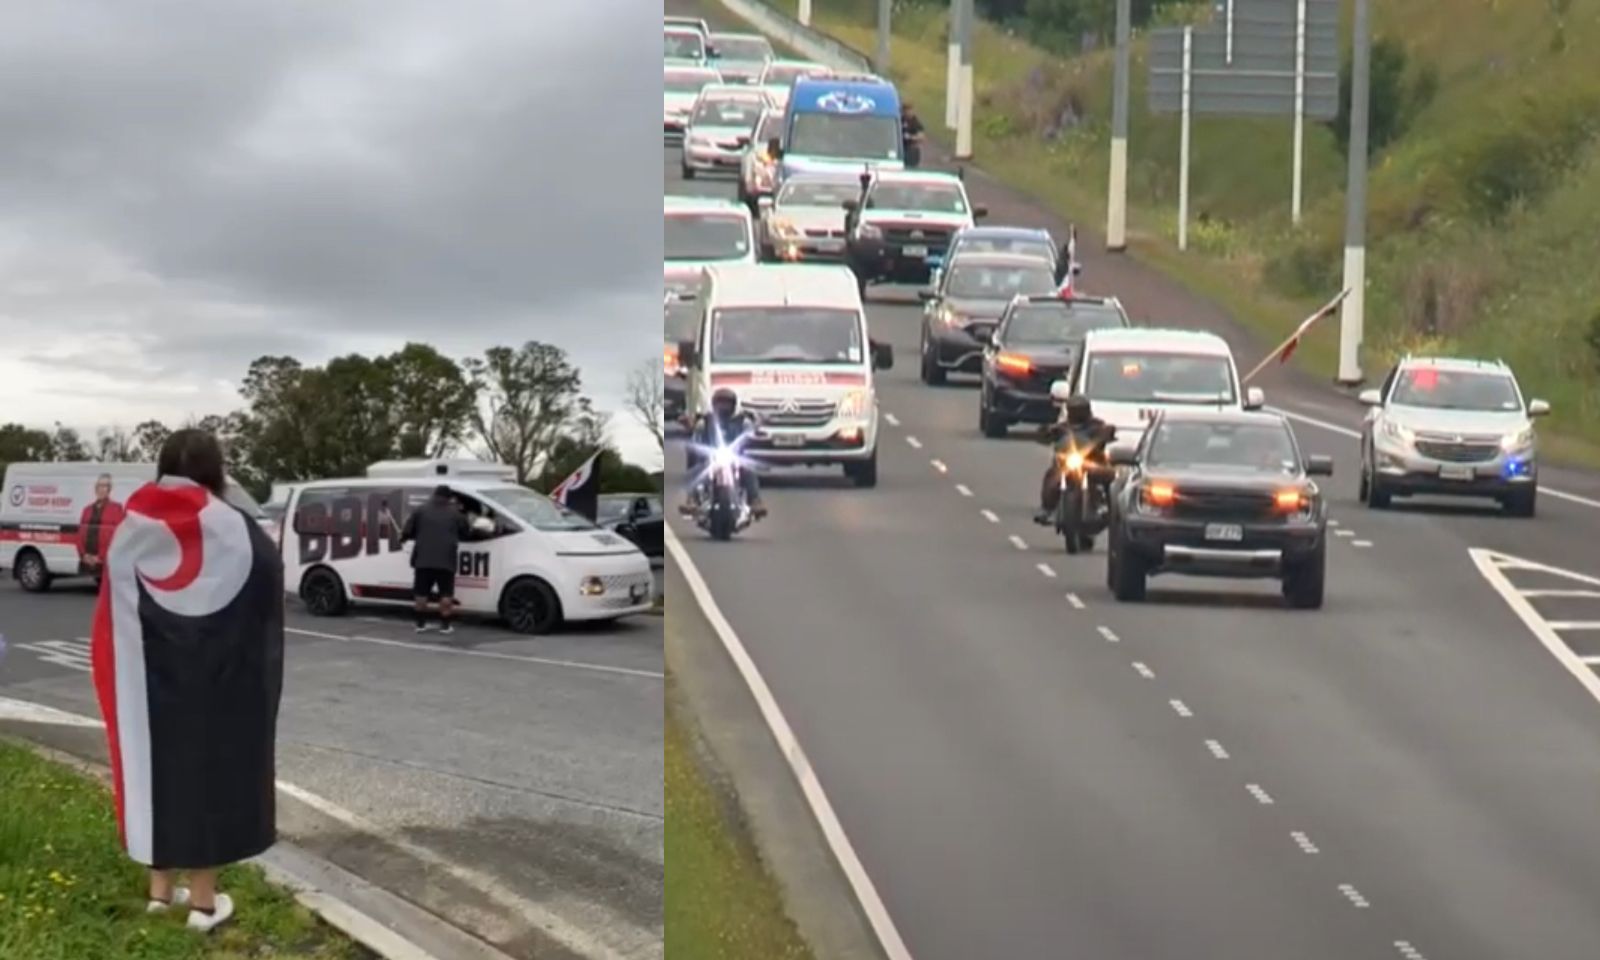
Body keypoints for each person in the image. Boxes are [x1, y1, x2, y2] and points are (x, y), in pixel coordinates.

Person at [90, 428, 285, 934]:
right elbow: (268, 578)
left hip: (149, 682)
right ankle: (202, 904)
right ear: (216, 470)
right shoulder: (234, 527)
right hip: (215, 681)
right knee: (209, 780)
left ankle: (159, 895)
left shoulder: (132, 522)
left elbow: (113, 605)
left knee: (157, 775)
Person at [680, 387, 767, 519]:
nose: (723, 407)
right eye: (720, 403)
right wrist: (691, 428)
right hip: (711, 456)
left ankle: (755, 501)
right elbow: (696, 432)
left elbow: (751, 431)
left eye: (727, 403)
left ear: (733, 404)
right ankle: (692, 499)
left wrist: (755, 433)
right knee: (697, 468)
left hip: (735, 455)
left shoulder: (743, 420)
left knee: (748, 468)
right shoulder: (706, 420)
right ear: (714, 404)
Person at [400, 485, 472, 634]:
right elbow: (466, 532)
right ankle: (445, 626)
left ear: (435, 495)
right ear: (449, 497)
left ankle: (420, 624)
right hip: (446, 561)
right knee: (446, 594)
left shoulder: (420, 510)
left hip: (423, 560)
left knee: (421, 594)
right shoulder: (455, 513)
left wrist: (403, 538)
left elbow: (407, 531)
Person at [1035, 394, 1117, 524]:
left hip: (1092, 463)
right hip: (1067, 463)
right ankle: (1047, 508)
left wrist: (1106, 434)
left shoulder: (1096, 425)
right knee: (1052, 475)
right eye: (1074, 410)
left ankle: (1109, 507)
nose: (1077, 413)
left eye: (1080, 409)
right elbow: (1047, 434)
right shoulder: (1063, 427)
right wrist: (1046, 431)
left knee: (1109, 476)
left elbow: (1108, 431)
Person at [77, 473, 125, 577]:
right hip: (87, 560)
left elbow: (118, 536)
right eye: (99, 486)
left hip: (104, 561)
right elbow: (80, 534)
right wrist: (84, 554)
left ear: (109, 489)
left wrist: (100, 557)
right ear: (95, 488)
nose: (101, 489)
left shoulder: (116, 508)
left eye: (105, 486)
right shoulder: (87, 510)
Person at [901, 102, 925, 168]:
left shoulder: (915, 122)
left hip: (912, 149)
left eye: (909, 111)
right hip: (901, 148)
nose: (908, 113)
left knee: (912, 167)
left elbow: (921, 137)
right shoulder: (901, 120)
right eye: (905, 111)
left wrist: (910, 137)